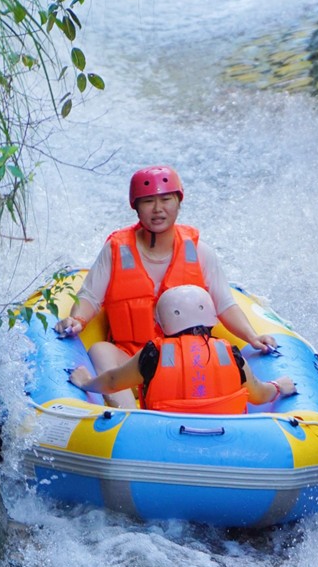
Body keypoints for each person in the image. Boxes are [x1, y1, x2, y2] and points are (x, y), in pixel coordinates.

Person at [57, 166, 276, 405]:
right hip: (129, 360)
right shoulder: (115, 250)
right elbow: (90, 296)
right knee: (100, 350)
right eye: (148, 201)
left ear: (178, 202)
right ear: (136, 206)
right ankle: (128, 418)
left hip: (183, 361)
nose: (158, 209)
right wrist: (77, 320)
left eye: (166, 199)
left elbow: (224, 305)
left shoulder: (201, 252)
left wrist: (252, 337)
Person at [68, 284, 295, 411]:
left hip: (162, 439)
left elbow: (112, 382)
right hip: (225, 443)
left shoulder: (153, 355)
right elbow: (258, 395)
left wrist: (85, 382)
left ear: (162, 323)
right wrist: (278, 386)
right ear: (210, 317)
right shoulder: (232, 356)